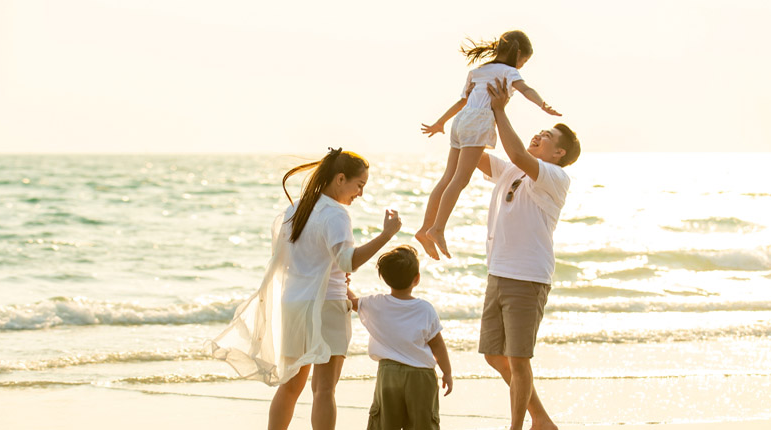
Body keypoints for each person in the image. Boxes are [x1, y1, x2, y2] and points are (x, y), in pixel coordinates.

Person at [210, 147, 403, 430]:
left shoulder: (295, 209)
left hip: (295, 305)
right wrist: (386, 235)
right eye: (359, 185)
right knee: (323, 390)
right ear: (340, 179)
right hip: (326, 307)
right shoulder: (337, 214)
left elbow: (293, 261)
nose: (360, 193)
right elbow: (348, 261)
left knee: (290, 387)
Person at [475, 77, 580, 430]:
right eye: (539, 132)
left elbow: (517, 152)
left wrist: (501, 110)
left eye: (547, 136)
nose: (539, 136)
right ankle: (542, 420)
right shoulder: (512, 171)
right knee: (494, 355)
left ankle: (518, 426)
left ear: (559, 154)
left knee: (518, 359)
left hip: (528, 275)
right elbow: (473, 152)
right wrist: (477, 105)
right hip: (499, 271)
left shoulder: (554, 176)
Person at [416, 30, 561, 260]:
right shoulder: (510, 72)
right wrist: (542, 104)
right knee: (460, 180)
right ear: (518, 54)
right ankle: (437, 229)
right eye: (524, 61)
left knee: (447, 178)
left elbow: (463, 101)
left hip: (460, 122)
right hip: (478, 122)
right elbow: (526, 90)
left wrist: (440, 122)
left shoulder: (477, 71)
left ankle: (425, 229)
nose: (522, 66)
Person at [349, 245, 453, 430]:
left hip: (389, 374)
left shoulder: (376, 303)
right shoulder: (425, 309)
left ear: (384, 279)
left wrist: (342, 283)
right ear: (417, 279)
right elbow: (437, 345)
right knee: (423, 423)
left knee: (385, 423)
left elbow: (351, 303)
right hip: (421, 376)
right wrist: (447, 373)